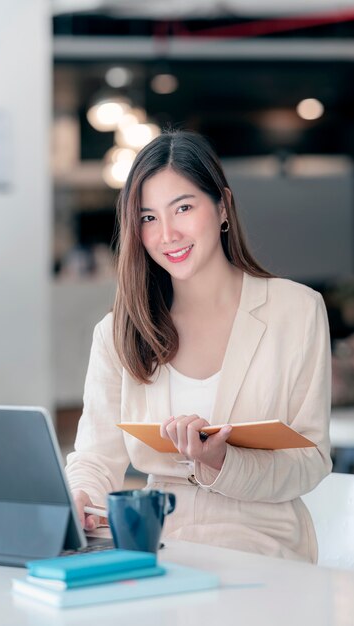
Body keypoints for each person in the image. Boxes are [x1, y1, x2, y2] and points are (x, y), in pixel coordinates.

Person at [65, 130, 332, 562]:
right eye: (148, 217)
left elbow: (312, 460)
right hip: (159, 543)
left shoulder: (296, 310)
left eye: (183, 208)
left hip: (265, 546)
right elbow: (96, 456)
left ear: (223, 206)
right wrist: (79, 495)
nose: (167, 234)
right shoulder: (121, 331)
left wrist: (221, 461)